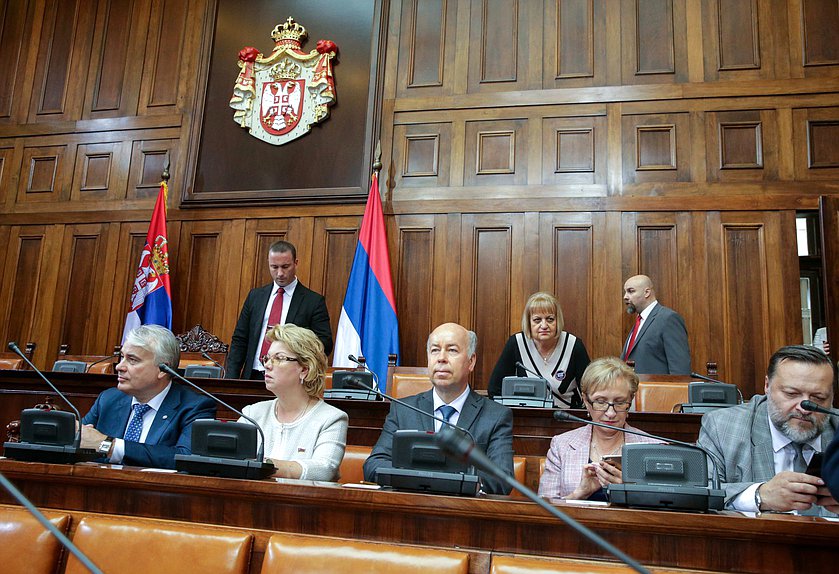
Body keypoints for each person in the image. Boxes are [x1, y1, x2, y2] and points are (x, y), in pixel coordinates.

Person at [363, 323, 514, 494]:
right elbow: (374, 465)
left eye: (452, 350)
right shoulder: (403, 409)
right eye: (435, 350)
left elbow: (502, 479)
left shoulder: (496, 416)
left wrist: (441, 478)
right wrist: (425, 478)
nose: (441, 358)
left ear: (471, 361)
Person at [697, 345, 839, 515]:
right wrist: (759, 495)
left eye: (818, 398)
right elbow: (699, 493)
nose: (804, 408)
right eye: (791, 394)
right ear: (767, 386)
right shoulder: (723, 426)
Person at [80, 325, 217, 469]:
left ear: (162, 369)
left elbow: (187, 458)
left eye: (132, 360)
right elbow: (80, 441)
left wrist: (110, 446)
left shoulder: (194, 407)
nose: (119, 367)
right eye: (122, 357)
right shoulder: (108, 399)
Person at [538, 357, 661, 500]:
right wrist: (579, 494)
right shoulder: (562, 445)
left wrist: (628, 491)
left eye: (620, 402)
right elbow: (545, 511)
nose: (611, 413)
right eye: (601, 402)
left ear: (630, 401)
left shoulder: (652, 447)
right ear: (586, 401)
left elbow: (662, 514)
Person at [239, 324, 347, 481]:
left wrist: (266, 465)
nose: (267, 365)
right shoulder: (252, 414)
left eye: (279, 358)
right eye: (267, 358)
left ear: (305, 369)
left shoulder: (331, 419)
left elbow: (324, 469)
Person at [227, 240, 333, 380]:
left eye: (285, 266)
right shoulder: (255, 296)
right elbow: (240, 339)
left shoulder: (313, 301)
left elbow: (324, 343)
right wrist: (231, 379)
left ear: (296, 263)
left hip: (290, 379)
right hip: (253, 375)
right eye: (274, 267)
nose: (280, 273)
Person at [488, 292, 590, 408]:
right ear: (528, 322)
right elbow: (495, 389)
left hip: (565, 419)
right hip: (525, 418)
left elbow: (591, 389)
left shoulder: (574, 345)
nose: (544, 325)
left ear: (558, 321)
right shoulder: (516, 343)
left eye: (550, 319)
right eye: (537, 320)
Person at [620, 274, 690, 375]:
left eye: (631, 291)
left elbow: (680, 369)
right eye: (625, 292)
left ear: (647, 292)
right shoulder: (640, 321)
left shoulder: (668, 318)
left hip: (657, 389)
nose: (625, 297)